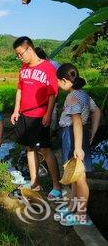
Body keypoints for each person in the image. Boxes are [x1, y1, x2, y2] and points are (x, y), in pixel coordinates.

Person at [10, 36, 62, 200]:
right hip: (25, 115)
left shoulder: (47, 68)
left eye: (20, 54)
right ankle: (35, 183)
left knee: (45, 150)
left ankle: (56, 186)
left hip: (40, 115)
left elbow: (53, 94)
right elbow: (20, 90)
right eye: (17, 55)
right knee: (30, 148)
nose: (19, 57)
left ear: (29, 49)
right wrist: (16, 110)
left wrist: (48, 113)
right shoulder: (23, 68)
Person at [55, 63, 101, 226]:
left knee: (80, 178)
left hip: (73, 135)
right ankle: (73, 207)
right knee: (74, 174)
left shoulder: (72, 97)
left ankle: (81, 215)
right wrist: (93, 132)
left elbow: (76, 121)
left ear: (65, 80)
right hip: (79, 135)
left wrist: (77, 147)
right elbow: (97, 111)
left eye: (58, 82)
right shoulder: (84, 95)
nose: (58, 85)